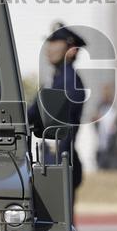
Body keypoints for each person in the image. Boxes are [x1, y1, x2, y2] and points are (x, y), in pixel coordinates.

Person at [28, 24, 87, 191]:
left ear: (72, 49)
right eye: (49, 43)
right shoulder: (58, 79)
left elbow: (61, 127)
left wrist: (55, 164)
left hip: (59, 161)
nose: (49, 48)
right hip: (54, 160)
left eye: (55, 43)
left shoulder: (68, 82)